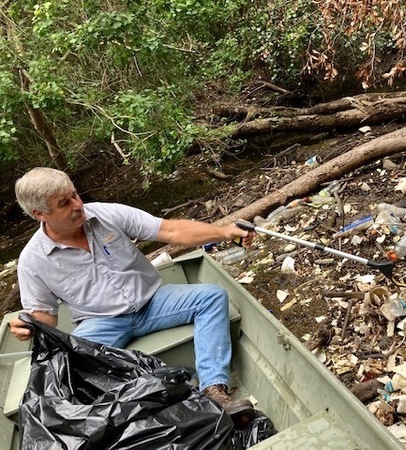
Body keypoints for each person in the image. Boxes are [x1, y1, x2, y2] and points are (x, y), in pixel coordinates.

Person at [9, 167, 256, 418]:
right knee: (66, 367)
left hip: (154, 302)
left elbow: (171, 230)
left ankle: (214, 390)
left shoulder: (106, 214)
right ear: (40, 214)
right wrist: (29, 326)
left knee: (212, 296)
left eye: (75, 194)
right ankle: (132, 417)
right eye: (64, 203)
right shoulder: (32, 259)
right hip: (100, 323)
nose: (77, 205)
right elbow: (45, 316)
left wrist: (224, 232)